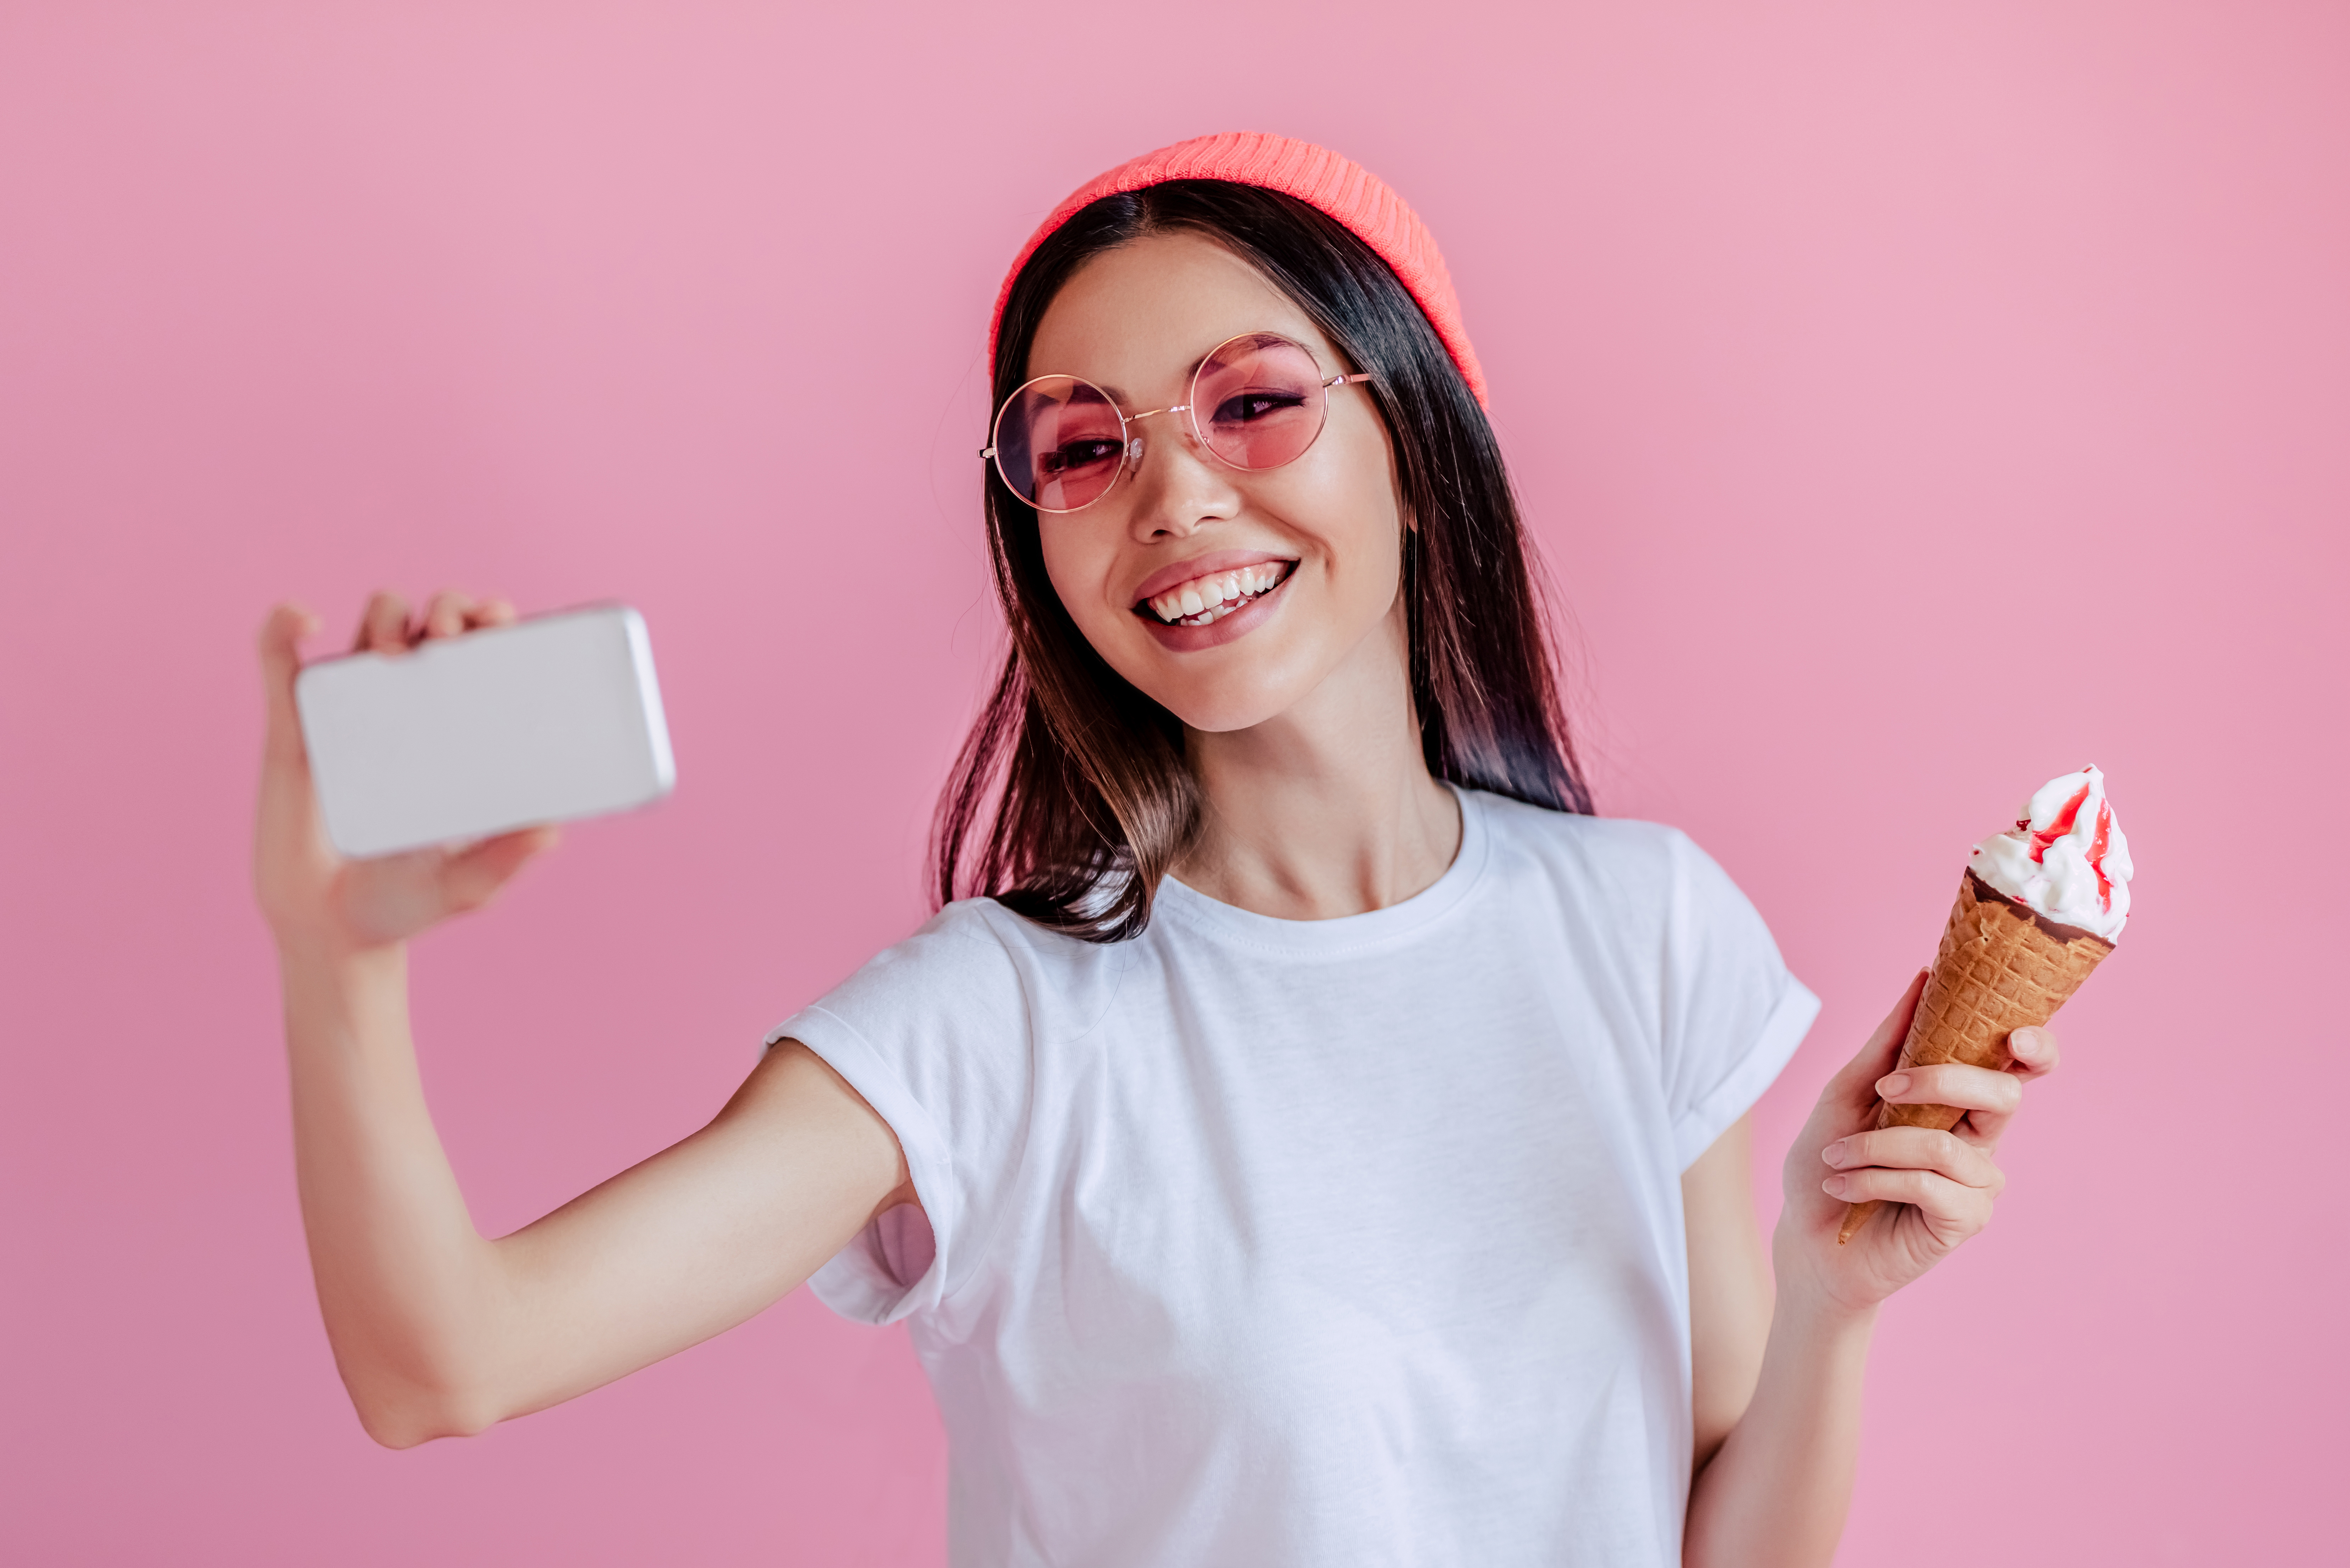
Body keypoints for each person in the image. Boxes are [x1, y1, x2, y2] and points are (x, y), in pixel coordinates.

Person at [252, 134, 2061, 1568]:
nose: (1176, 493)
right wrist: (338, 954)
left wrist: (1830, 1308)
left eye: (1251, 402)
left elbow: (1714, 1559)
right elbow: (447, 1364)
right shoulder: (990, 1031)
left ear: (1415, 444)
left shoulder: (1648, 931)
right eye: (1085, 447)